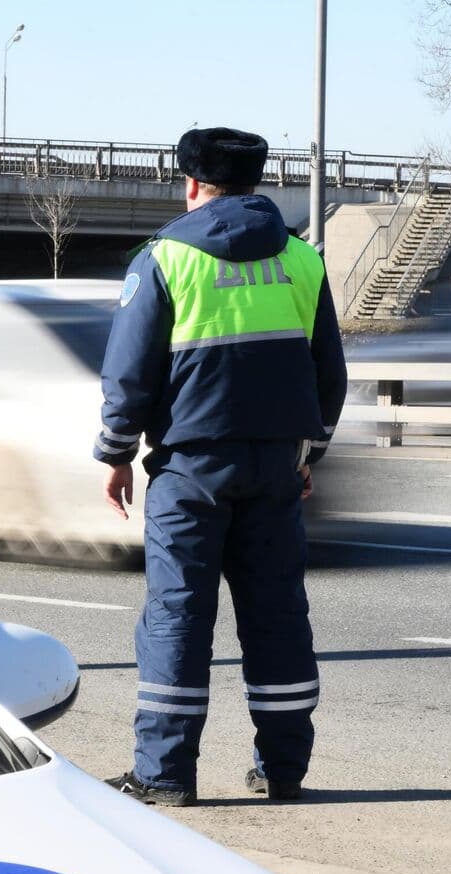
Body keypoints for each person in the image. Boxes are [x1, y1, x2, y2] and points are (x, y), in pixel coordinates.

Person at [94, 126, 346, 806]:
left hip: (190, 471)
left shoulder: (165, 259)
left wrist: (115, 453)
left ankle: (165, 773)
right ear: (255, 182)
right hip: (274, 471)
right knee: (277, 616)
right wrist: (306, 453)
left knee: (177, 618)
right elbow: (329, 375)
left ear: (192, 183)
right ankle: (284, 770)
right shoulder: (302, 261)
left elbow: (130, 372)